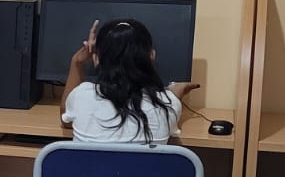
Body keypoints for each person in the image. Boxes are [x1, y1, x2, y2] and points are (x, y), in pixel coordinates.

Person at [62, 18, 200, 144]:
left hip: (91, 166)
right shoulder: (168, 104)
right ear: (151, 56)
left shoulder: (81, 95)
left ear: (96, 58)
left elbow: (66, 119)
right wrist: (174, 94)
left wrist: (76, 63)